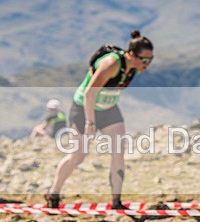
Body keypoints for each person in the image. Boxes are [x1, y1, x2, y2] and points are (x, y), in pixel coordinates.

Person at [45, 31, 154, 210]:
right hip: (84, 109)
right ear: (132, 54)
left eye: (151, 60)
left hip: (109, 109)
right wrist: (90, 122)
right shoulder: (111, 64)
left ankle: (116, 202)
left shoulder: (133, 67)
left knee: (118, 152)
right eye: (145, 60)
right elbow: (89, 93)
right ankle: (54, 192)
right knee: (78, 156)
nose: (147, 65)